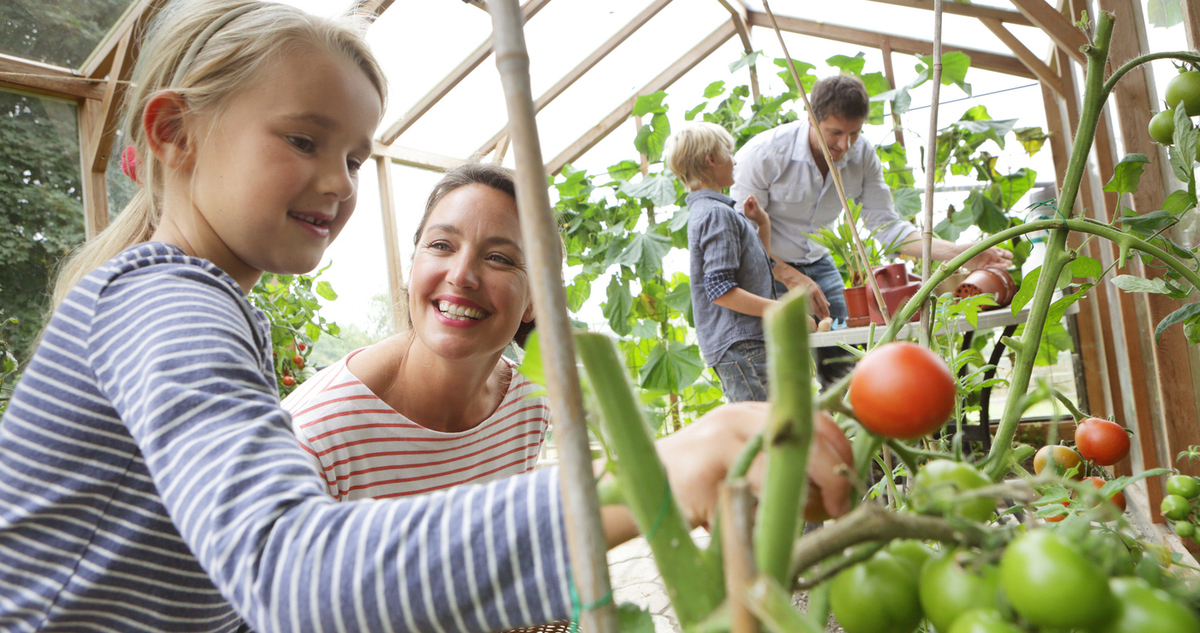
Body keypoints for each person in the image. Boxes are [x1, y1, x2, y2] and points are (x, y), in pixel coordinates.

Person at [0, 2, 854, 631]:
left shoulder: (198, 304)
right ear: (173, 131)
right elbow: (289, 573)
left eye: (354, 156)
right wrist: (652, 476)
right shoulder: (164, 301)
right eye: (303, 140)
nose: (338, 182)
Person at [283, 164, 550, 501]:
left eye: (498, 258)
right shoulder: (313, 437)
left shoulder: (527, 408)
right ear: (412, 269)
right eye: (441, 245)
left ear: (535, 300)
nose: (462, 275)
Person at [731, 75, 1012, 385]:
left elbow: (888, 228)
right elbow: (742, 239)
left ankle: (848, 430)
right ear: (810, 117)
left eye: (855, 133)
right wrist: (792, 277)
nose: (844, 145)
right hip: (765, 266)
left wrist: (962, 255)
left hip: (819, 265)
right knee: (774, 369)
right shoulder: (765, 154)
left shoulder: (861, 154)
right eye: (834, 133)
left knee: (846, 363)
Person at [666, 122, 781, 403]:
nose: (734, 159)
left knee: (768, 431)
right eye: (728, 152)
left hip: (742, 344)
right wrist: (782, 311)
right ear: (711, 159)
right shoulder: (717, 214)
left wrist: (762, 224)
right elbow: (721, 290)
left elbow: (753, 273)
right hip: (743, 345)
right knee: (767, 431)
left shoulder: (711, 211)